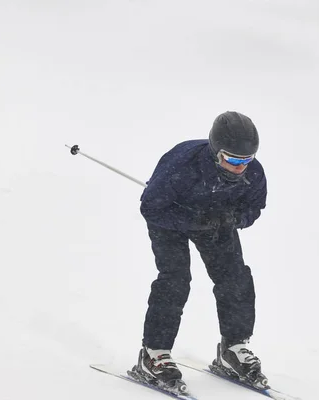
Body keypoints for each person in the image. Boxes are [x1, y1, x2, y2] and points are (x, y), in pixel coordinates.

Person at [130, 111, 268, 391]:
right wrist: (194, 220)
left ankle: (234, 349)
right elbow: (150, 208)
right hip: (169, 220)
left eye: (246, 160)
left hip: (216, 222)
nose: (240, 167)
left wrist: (234, 219)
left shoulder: (254, 172)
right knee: (176, 279)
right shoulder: (182, 164)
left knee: (235, 277)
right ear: (217, 152)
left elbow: (254, 207)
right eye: (232, 160)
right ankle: (154, 354)